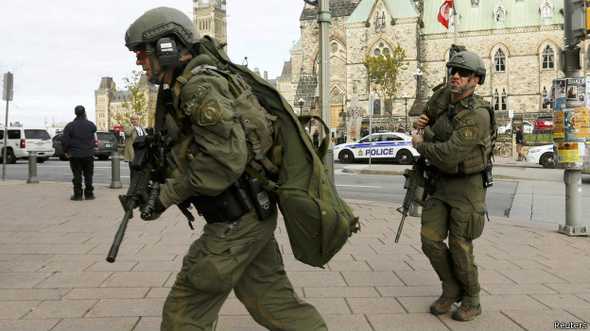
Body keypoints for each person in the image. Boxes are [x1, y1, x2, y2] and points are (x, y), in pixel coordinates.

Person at [125, 7, 326, 330]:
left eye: (142, 53)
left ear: (167, 47)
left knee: (185, 309)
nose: (139, 61)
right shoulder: (185, 85)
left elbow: (223, 162)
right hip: (247, 214)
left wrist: (166, 196)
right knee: (273, 302)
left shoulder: (199, 87)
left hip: (237, 218)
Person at [412, 50, 493, 322]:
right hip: (439, 182)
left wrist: (422, 144)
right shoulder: (443, 96)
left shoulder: (478, 115)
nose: (455, 76)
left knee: (460, 245)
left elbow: (449, 154)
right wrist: (422, 122)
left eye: (463, 73)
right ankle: (451, 287)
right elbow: (425, 115)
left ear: (476, 80)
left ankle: (472, 297)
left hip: (466, 187)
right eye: (452, 71)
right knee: (429, 240)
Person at [62, 105, 97, 201]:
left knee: (77, 175)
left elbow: (65, 141)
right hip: (88, 153)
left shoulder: (70, 126)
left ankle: (77, 195)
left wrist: (66, 151)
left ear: (75, 113)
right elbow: (94, 132)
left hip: (75, 154)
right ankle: (89, 194)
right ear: (84, 112)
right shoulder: (90, 125)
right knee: (88, 175)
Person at [123, 115, 146, 179]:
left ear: (138, 120)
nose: (135, 120)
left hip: (141, 152)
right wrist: (133, 127)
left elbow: (145, 135)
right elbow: (127, 133)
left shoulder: (141, 127)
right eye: (133, 119)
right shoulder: (128, 127)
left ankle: (138, 184)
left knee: (140, 171)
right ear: (131, 120)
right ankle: (132, 184)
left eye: (136, 119)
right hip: (132, 151)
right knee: (133, 170)